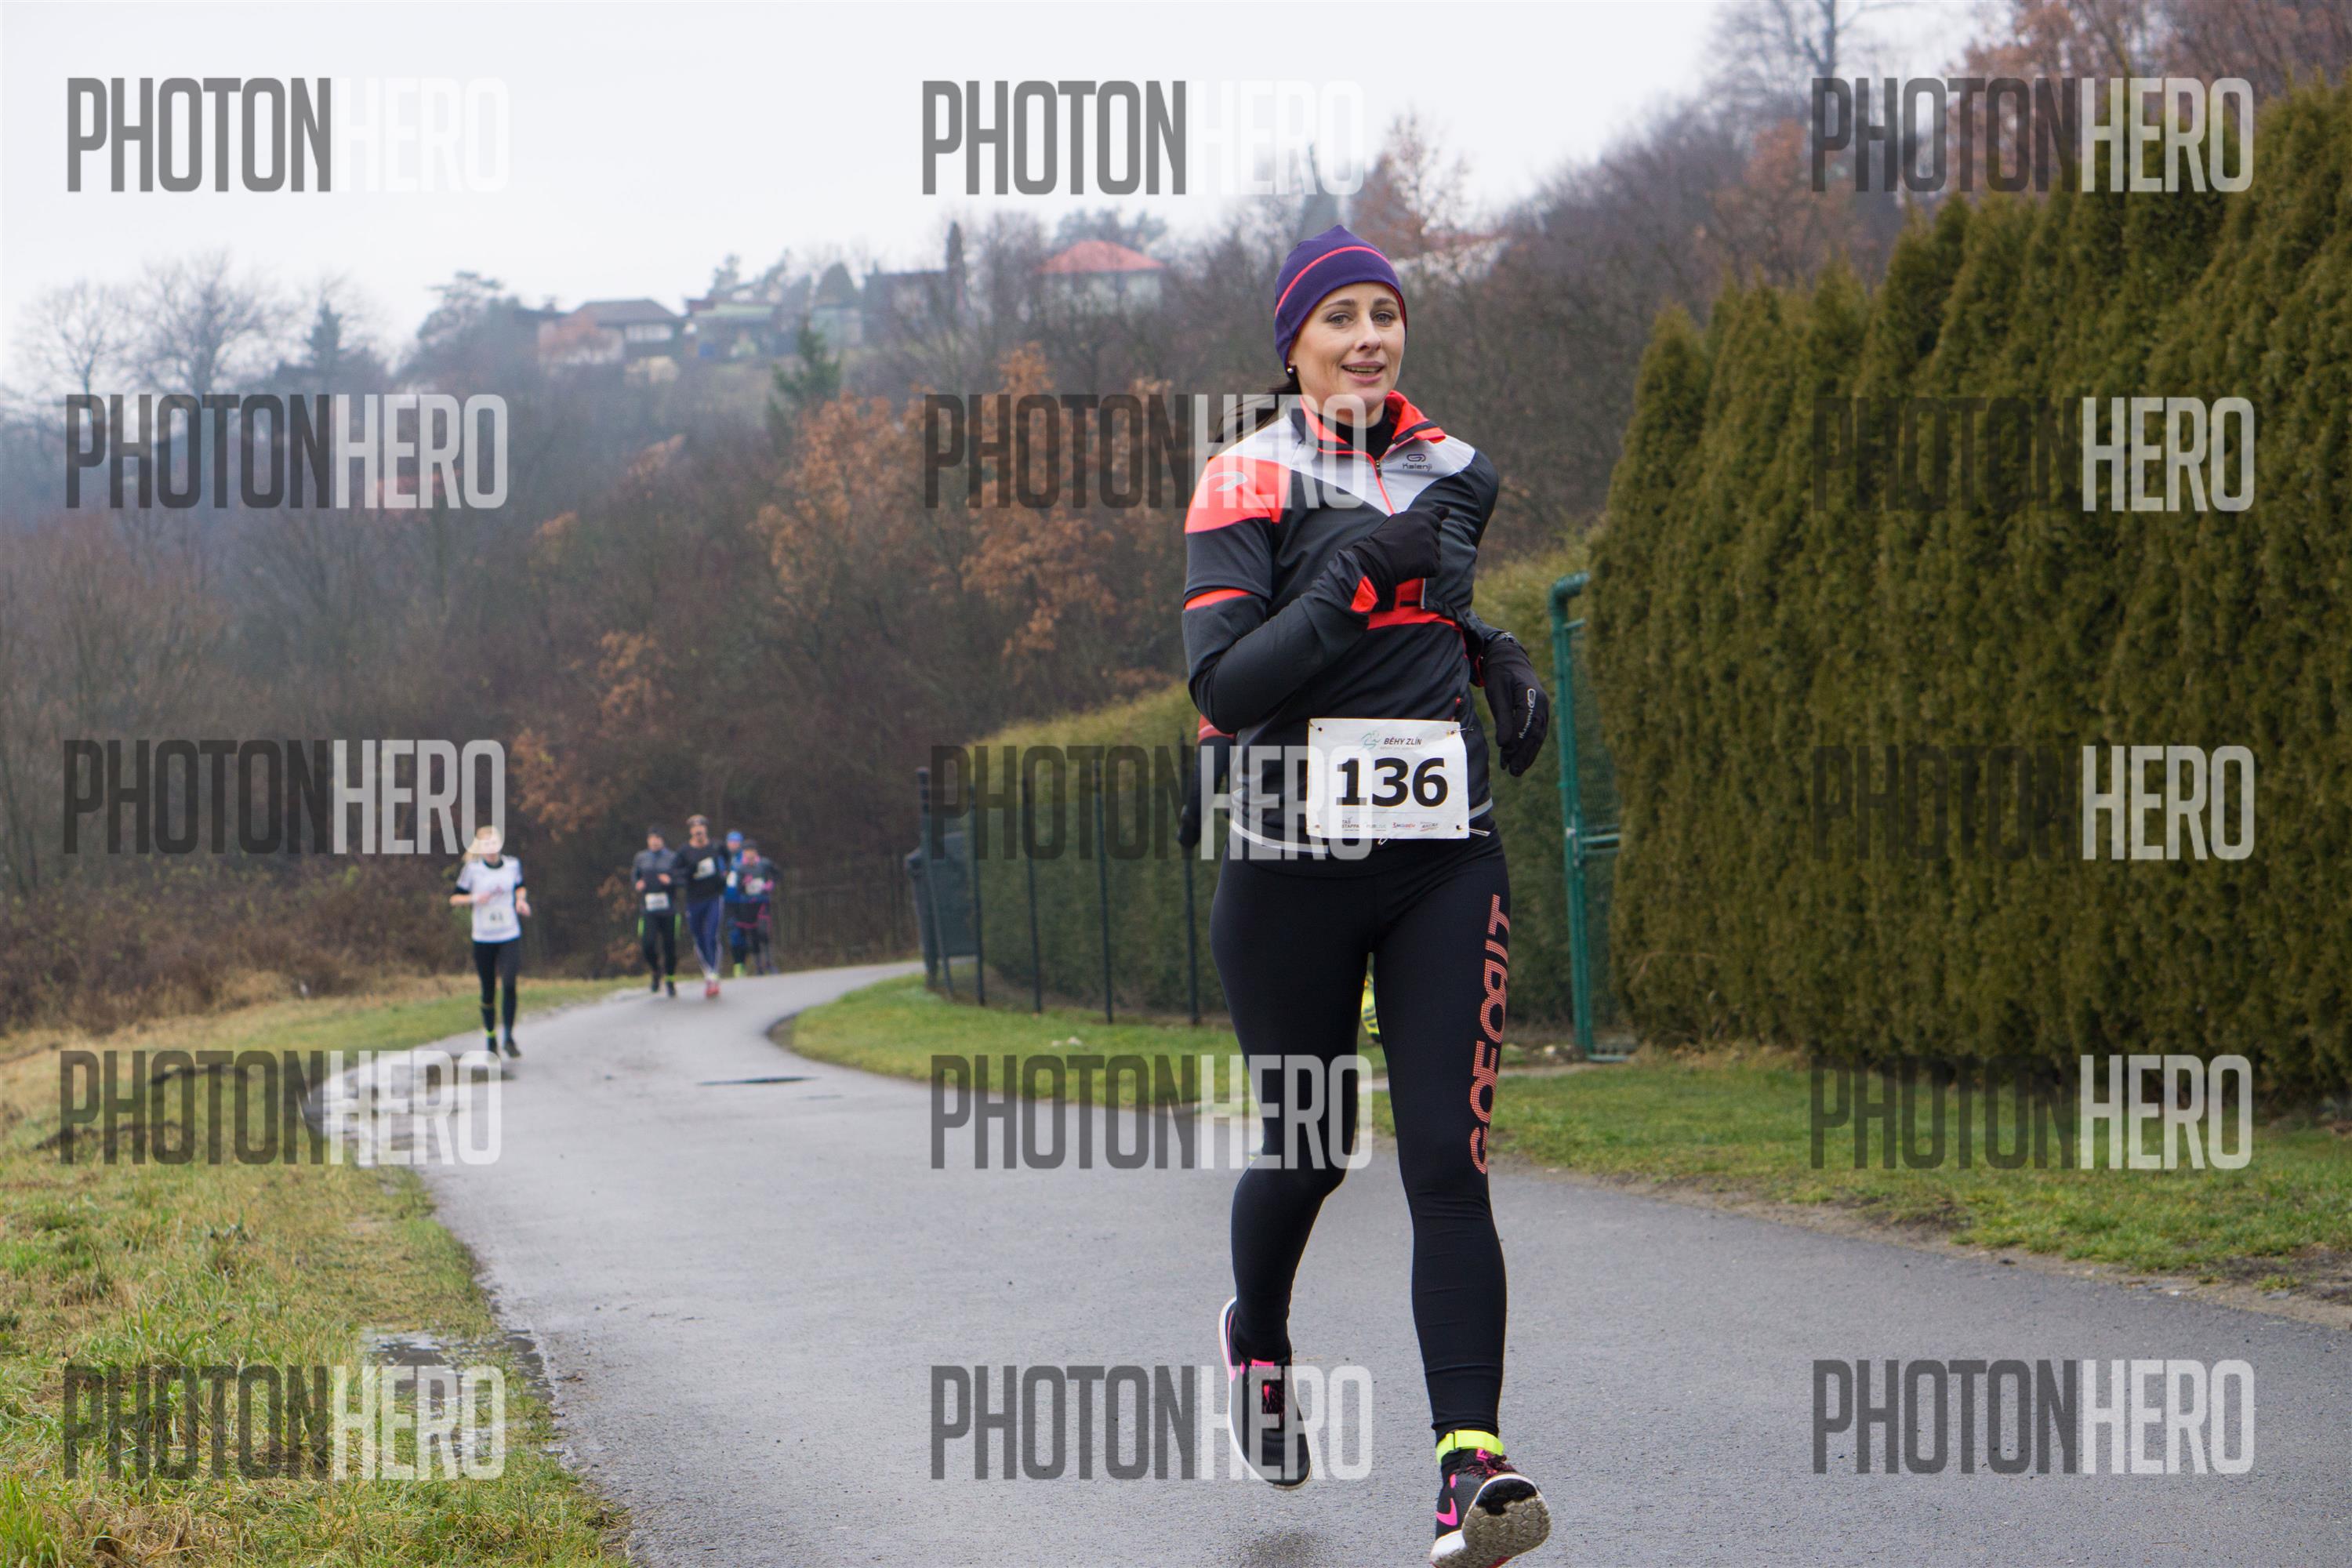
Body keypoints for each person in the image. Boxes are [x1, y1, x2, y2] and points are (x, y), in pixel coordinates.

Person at [1185, 226, 1554, 1566]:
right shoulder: (1246, 475)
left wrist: (1493, 652)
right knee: (1311, 1149)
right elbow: (1227, 683)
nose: (1366, 338)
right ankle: (1258, 1338)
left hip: (1442, 856)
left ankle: (1470, 1471)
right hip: (1289, 869)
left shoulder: (1456, 468)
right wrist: (1349, 579)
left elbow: (1435, 606)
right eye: (1337, 317)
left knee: (1448, 1164)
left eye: (1383, 313)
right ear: (1291, 345)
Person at [450, 824, 528, 1058]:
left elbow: (520, 887)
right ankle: (491, 1036)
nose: (491, 849)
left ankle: (509, 1038)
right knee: (488, 990)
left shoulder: (513, 865)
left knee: (510, 984)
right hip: (484, 937)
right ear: (480, 848)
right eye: (486, 845)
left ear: (500, 844)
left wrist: (520, 901)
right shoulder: (472, 870)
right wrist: (474, 898)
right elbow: (454, 898)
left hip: (509, 934)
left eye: (494, 843)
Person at [679, 815, 732, 999]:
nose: (698, 831)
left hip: (714, 898)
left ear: (706, 829)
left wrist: (726, 873)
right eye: (695, 828)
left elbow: (728, 858)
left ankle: (713, 975)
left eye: (701, 827)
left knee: (711, 935)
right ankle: (708, 970)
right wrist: (689, 872)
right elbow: (676, 872)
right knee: (699, 938)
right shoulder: (685, 851)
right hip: (694, 900)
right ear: (691, 831)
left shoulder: (716, 846)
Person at [632, 826, 681, 996]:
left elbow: (681, 877)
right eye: (652, 838)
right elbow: (635, 876)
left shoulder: (672, 857)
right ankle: (655, 971)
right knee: (647, 944)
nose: (655, 842)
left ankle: (670, 979)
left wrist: (670, 880)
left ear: (663, 840)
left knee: (670, 946)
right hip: (649, 909)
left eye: (658, 838)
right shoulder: (641, 858)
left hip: (669, 910)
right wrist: (637, 884)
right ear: (648, 841)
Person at [728, 839, 779, 977]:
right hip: (747, 905)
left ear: (756, 852)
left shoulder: (764, 864)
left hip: (762, 902)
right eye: (747, 852)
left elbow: (777, 874)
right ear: (744, 853)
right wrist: (743, 884)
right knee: (754, 936)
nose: (749, 854)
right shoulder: (740, 868)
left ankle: (770, 964)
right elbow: (737, 888)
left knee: (764, 933)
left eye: (751, 851)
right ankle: (759, 967)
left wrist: (771, 884)